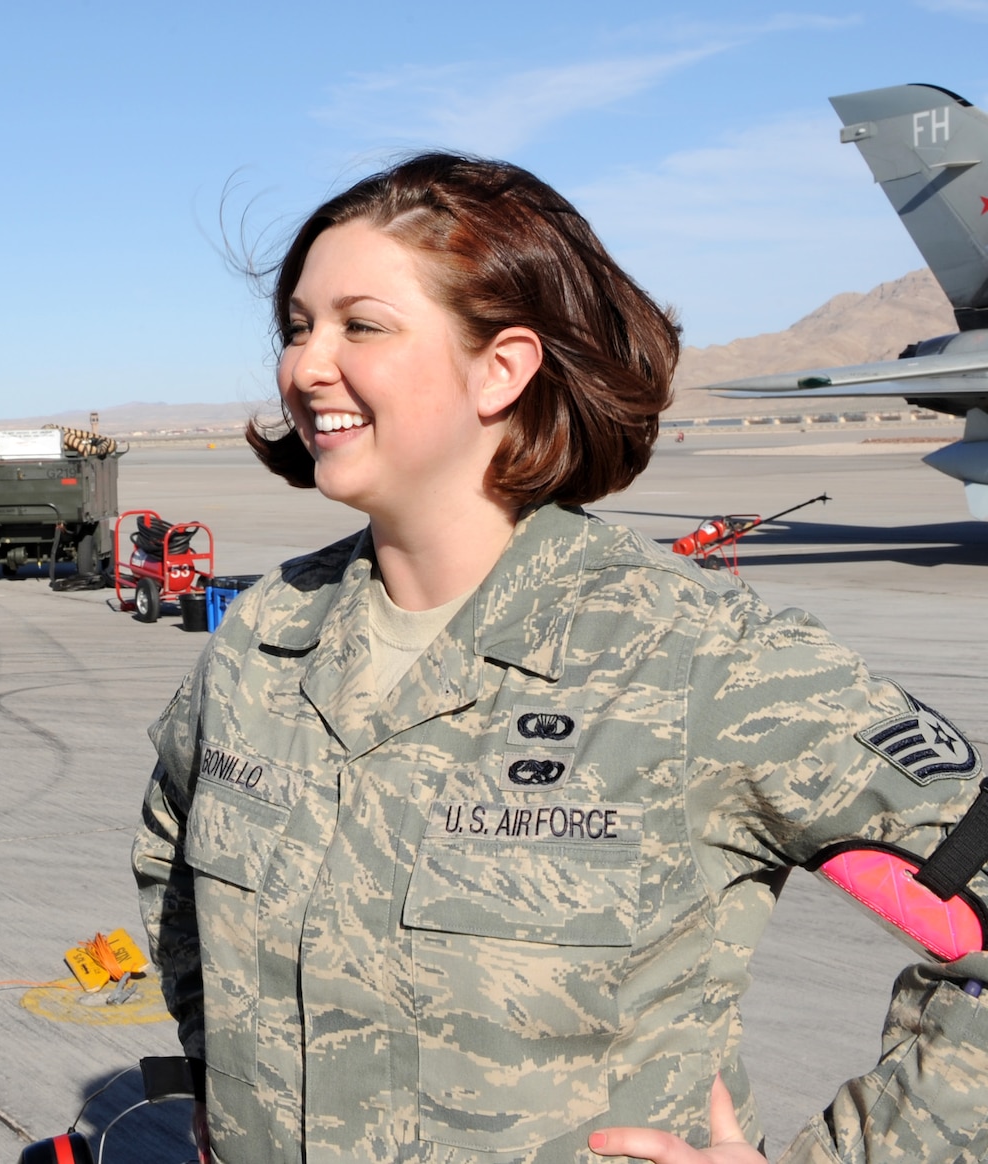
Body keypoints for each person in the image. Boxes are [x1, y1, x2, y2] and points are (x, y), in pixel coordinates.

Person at [130, 153, 987, 1163]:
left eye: (360, 326)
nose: (305, 367)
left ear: (500, 368)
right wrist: (232, 1082)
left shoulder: (692, 663)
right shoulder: (262, 641)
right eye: (297, 326)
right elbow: (171, 863)